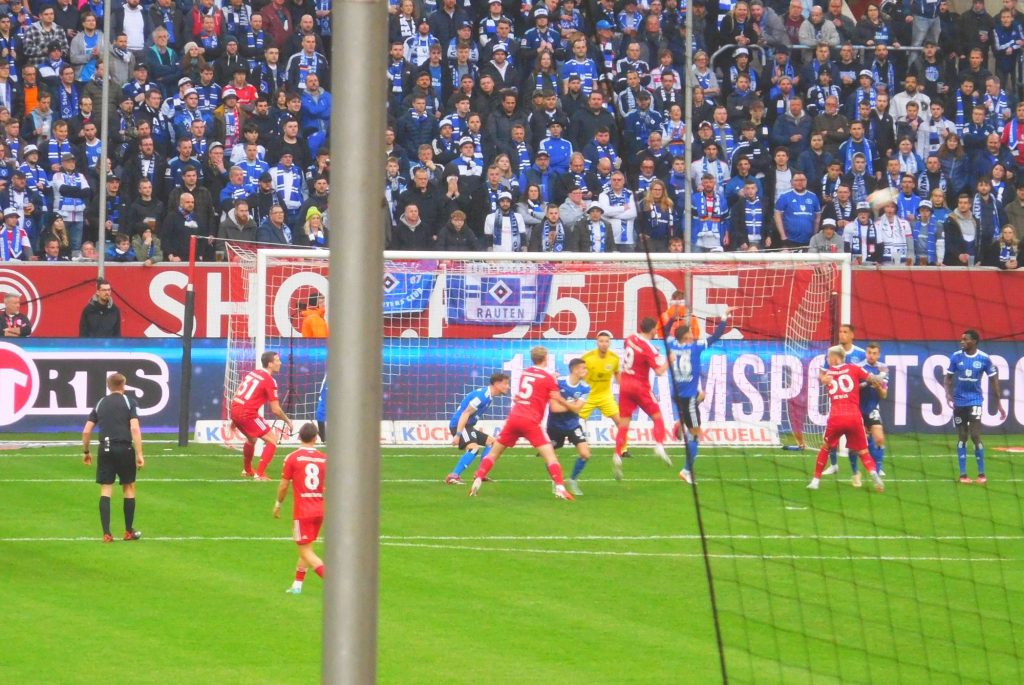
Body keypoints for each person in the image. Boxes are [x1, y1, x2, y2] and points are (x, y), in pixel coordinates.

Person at [468, 346, 575, 500]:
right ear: (546, 358)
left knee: (494, 453)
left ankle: (478, 480)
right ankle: (560, 488)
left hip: (514, 417)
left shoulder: (526, 373)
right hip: (530, 421)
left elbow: (529, 390)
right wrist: (571, 404)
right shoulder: (548, 378)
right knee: (550, 456)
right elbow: (556, 403)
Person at [806, 346, 886, 493]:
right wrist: (882, 374)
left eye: (829, 358)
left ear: (835, 358)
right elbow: (873, 379)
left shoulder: (828, 374)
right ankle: (875, 476)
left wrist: (823, 378)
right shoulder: (854, 369)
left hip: (836, 416)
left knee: (826, 447)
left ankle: (815, 481)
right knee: (863, 451)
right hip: (854, 416)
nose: (828, 360)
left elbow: (822, 379)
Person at [81, 372, 145, 542]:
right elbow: (134, 428)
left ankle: (107, 534)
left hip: (105, 448)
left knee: (106, 489)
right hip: (124, 448)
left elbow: (86, 430)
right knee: (129, 487)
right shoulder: (129, 402)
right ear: (123, 385)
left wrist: (86, 452)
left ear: (109, 386)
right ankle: (128, 531)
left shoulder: (101, 403)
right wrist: (139, 453)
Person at [669, 309, 730, 484]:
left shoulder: (671, 345)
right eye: (689, 335)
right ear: (685, 338)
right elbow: (716, 336)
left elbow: (665, 332)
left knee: (701, 395)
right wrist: (724, 318)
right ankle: (686, 470)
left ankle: (680, 421)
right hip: (687, 398)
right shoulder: (695, 348)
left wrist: (673, 315)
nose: (692, 336)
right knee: (696, 434)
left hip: (678, 393)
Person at [944, 329, 1006, 484]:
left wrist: (999, 402)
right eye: (961, 339)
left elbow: (993, 380)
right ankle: (963, 474)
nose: (962, 341)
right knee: (962, 436)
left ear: (974, 341)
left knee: (975, 435)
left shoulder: (984, 359)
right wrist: (947, 394)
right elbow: (948, 377)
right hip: (959, 402)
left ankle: (981, 473)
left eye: (965, 339)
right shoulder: (956, 357)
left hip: (975, 401)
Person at [614, 317, 671, 479]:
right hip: (640, 387)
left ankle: (617, 454)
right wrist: (669, 361)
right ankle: (659, 444)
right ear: (652, 329)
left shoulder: (630, 339)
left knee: (624, 423)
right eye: (655, 329)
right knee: (657, 416)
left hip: (625, 385)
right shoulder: (651, 349)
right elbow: (659, 372)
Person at [274, 422, 326, 594]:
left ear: (298, 437)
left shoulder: (292, 458)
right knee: (307, 548)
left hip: (303, 511)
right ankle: (297, 586)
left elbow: (283, 486)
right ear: (316, 438)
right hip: (319, 509)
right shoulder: (324, 458)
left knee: (305, 551)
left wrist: (278, 504)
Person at [229, 350, 293, 480]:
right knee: (272, 440)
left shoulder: (253, 373)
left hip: (235, 409)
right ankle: (259, 474)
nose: (280, 363)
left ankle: (247, 470)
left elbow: (238, 393)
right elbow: (275, 410)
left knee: (252, 439)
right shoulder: (269, 381)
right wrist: (288, 421)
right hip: (248, 414)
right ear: (270, 364)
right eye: (277, 360)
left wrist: (234, 420)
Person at [444, 371, 511, 484]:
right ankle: (453, 476)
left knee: (492, 443)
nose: (507, 387)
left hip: (467, 426)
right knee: (473, 448)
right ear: (496, 384)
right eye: (505, 383)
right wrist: (458, 434)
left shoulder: (488, 397)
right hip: (460, 425)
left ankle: (480, 474)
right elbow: (465, 414)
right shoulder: (482, 396)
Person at [820, 323, 867, 482]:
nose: (842, 334)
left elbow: (863, 375)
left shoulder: (860, 354)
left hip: (854, 401)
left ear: (852, 335)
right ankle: (833, 465)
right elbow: (822, 374)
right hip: (837, 401)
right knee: (830, 436)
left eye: (845, 332)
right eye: (840, 331)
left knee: (853, 441)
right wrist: (824, 379)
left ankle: (855, 473)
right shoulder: (832, 352)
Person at [578, 330, 631, 459]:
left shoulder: (614, 358)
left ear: (609, 343)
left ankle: (624, 450)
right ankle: (553, 444)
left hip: (605, 396)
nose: (603, 344)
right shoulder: (587, 357)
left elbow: (617, 375)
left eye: (606, 341)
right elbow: (578, 373)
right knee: (573, 422)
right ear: (597, 342)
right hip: (588, 396)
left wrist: (624, 388)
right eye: (601, 341)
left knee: (620, 421)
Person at [547, 358, 591, 496]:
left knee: (585, 454)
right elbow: (554, 408)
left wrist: (561, 400)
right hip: (555, 426)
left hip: (573, 424)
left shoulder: (585, 388)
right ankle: (556, 481)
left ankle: (572, 480)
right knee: (550, 456)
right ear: (575, 369)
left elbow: (578, 410)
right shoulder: (558, 383)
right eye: (583, 368)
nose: (585, 371)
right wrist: (572, 404)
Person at [860, 342, 890, 478]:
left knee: (879, 439)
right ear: (866, 353)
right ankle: (856, 472)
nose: (871, 356)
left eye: (874, 353)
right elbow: (854, 389)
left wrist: (877, 386)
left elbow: (884, 395)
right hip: (858, 409)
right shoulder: (859, 367)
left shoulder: (883, 369)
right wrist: (867, 382)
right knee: (858, 445)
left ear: (878, 354)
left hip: (873, 408)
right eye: (869, 353)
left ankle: (878, 470)